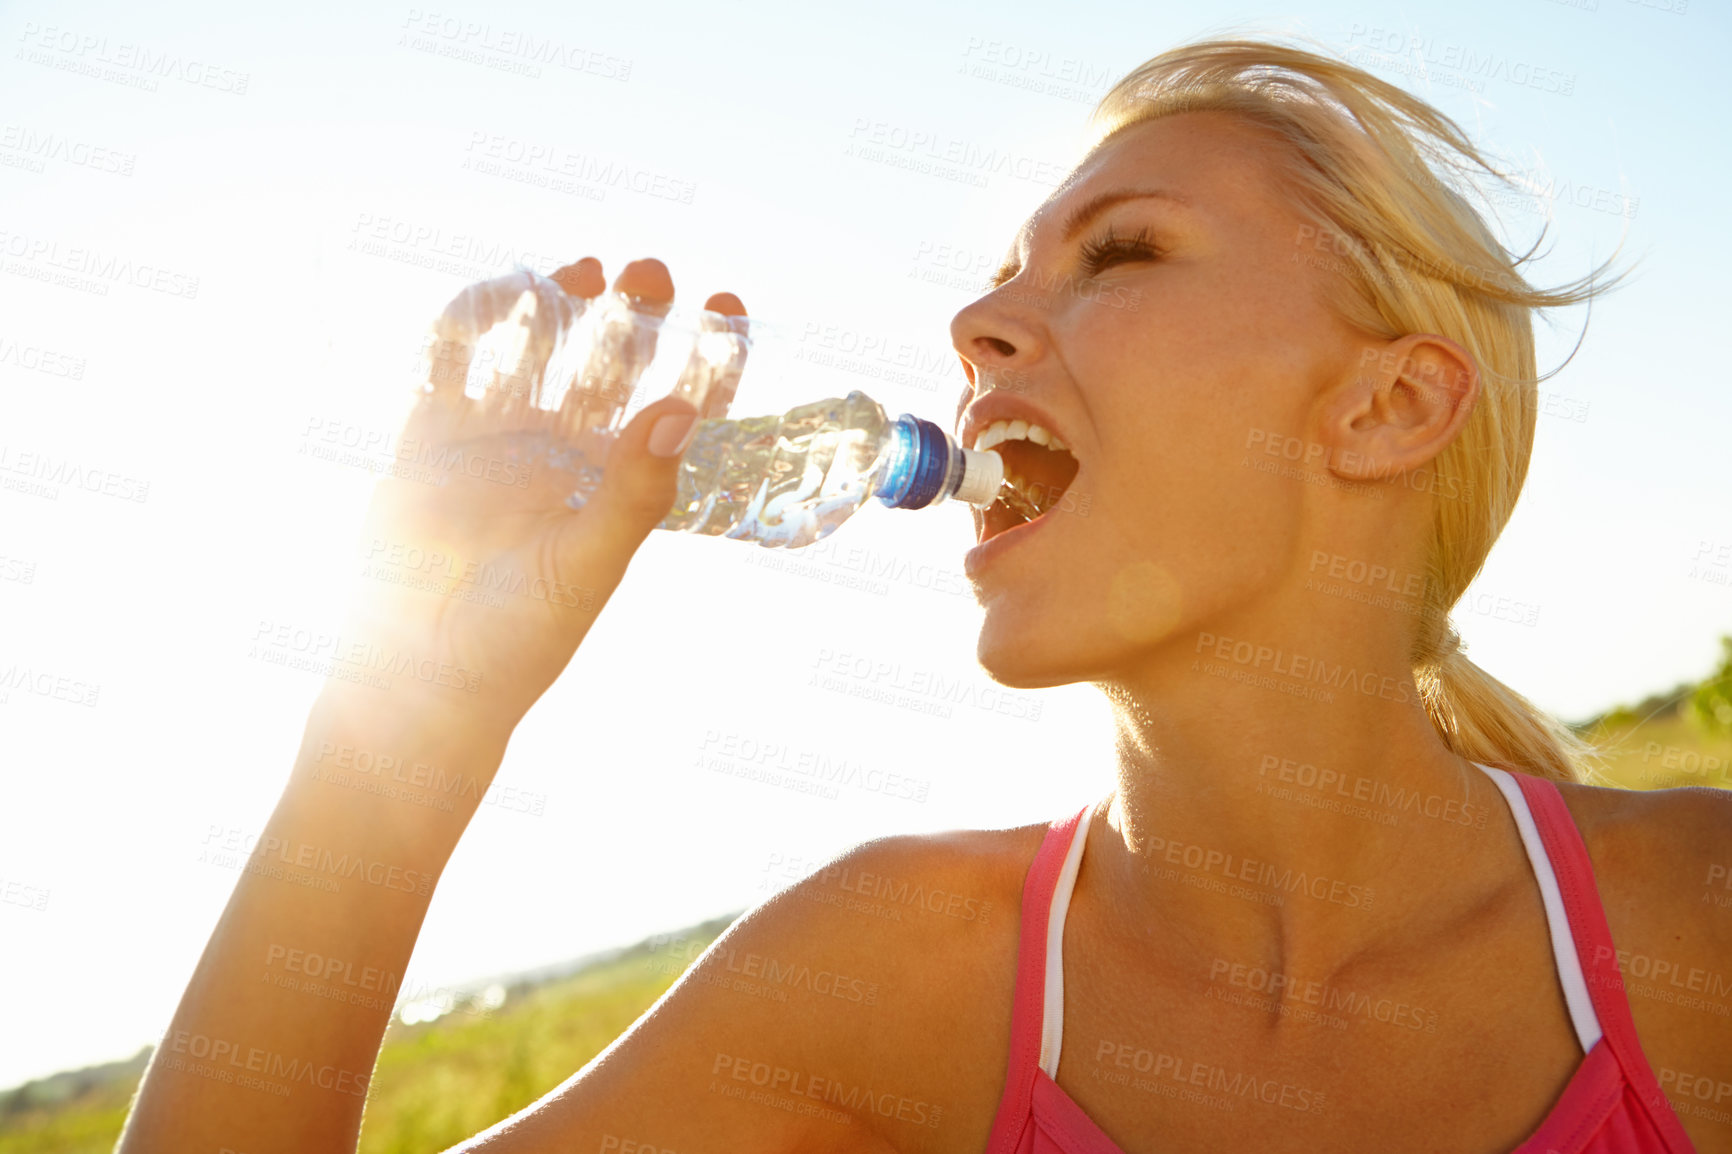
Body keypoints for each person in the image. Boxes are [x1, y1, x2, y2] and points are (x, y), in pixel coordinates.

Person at [116, 36, 1729, 1154]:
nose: (975, 322)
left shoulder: (1699, 925)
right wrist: (409, 714)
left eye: (1120, 253)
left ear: (1385, 406)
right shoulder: (901, 977)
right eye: (1002, 272)